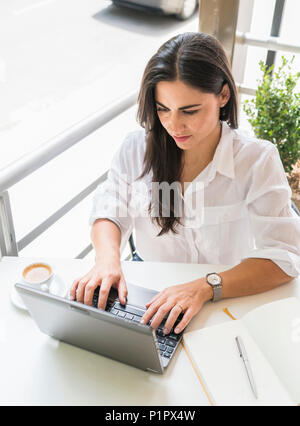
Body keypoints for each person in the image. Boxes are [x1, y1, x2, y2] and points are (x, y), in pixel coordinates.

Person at [70, 32, 300, 336]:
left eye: (190, 111)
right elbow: (110, 208)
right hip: (148, 293)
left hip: (225, 295)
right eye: (163, 109)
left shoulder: (256, 160)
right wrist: (107, 261)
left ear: (223, 96)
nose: (173, 126)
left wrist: (204, 287)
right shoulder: (136, 149)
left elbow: (285, 257)